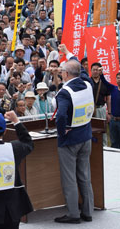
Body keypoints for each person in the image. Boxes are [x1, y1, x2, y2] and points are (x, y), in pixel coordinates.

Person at [53, 45, 95, 223]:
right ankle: (88, 212)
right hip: (86, 135)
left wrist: (62, 131)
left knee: (69, 178)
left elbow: (61, 115)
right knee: (85, 176)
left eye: (62, 71)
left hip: (70, 140)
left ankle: (73, 215)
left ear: (65, 74)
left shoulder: (64, 93)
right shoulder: (87, 81)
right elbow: (80, 67)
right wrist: (69, 52)